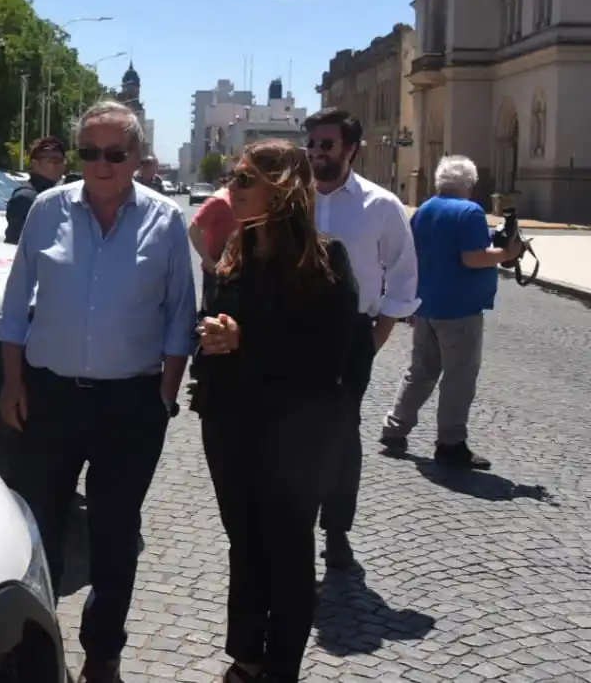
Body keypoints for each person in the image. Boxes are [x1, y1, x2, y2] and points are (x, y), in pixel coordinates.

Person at [0, 100, 196, 683]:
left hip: (129, 405)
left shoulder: (164, 220)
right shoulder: (46, 211)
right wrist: (12, 383)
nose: (101, 164)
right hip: (49, 397)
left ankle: (103, 656)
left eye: (114, 153)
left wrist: (164, 395)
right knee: (38, 528)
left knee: (113, 537)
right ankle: (33, 647)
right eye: (89, 152)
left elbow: (180, 315)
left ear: (136, 157)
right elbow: (14, 304)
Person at [192, 139, 358, 683]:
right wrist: (211, 339)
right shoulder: (232, 254)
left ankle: (280, 667)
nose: (231, 190)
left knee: (287, 548)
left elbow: (330, 356)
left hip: (297, 434)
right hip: (231, 424)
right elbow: (214, 333)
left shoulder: (326, 259)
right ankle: (247, 655)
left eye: (243, 180)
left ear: (281, 188)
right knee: (244, 540)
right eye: (233, 178)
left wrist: (245, 340)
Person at [305, 108, 418, 570]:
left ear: (350, 149)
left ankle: (336, 530)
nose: (316, 153)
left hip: (351, 335)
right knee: (285, 429)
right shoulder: (291, 199)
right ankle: (288, 525)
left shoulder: (381, 206)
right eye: (310, 144)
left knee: (340, 435)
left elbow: (404, 277)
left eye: (326, 145)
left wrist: (374, 338)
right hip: (291, 333)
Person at [379, 155, 521, 470]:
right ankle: (451, 442)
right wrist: (508, 252)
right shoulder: (470, 211)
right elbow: (473, 258)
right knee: (459, 377)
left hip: (427, 304)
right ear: (469, 184)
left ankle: (394, 428)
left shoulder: (424, 210)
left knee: (421, 370)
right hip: (460, 308)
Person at [4, 136, 66, 244]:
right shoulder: (25, 198)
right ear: (35, 164)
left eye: (61, 161)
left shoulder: (55, 195)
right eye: (53, 161)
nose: (59, 165)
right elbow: (15, 244)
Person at [188, 177, 237, 306]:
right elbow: (194, 228)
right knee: (214, 312)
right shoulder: (219, 200)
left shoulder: (238, 199)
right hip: (217, 268)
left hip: (235, 266)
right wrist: (207, 260)